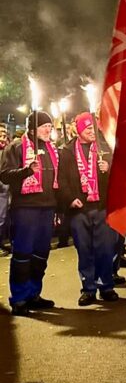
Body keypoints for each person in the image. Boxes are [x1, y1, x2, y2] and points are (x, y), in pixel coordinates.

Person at [0, 111, 60, 316]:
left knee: (41, 254)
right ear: (33, 129)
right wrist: (26, 171)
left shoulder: (51, 149)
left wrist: (59, 208)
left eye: (50, 127)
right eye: (44, 127)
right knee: (23, 254)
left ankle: (34, 293)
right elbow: (5, 175)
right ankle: (19, 298)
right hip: (25, 209)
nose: (49, 130)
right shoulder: (16, 147)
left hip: (47, 208)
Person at [57, 113, 117, 305]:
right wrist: (70, 199)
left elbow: (119, 173)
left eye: (94, 128)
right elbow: (61, 179)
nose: (93, 132)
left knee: (105, 249)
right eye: (88, 128)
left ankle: (106, 286)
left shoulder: (104, 147)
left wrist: (108, 168)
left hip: (102, 206)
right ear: (79, 130)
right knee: (84, 250)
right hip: (79, 209)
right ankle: (88, 288)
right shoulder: (67, 151)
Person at [0, 124, 11, 256]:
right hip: (1, 189)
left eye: (4, 135)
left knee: (4, 219)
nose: (3, 138)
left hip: (6, 191)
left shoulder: (7, 151)